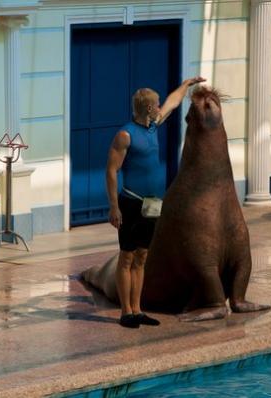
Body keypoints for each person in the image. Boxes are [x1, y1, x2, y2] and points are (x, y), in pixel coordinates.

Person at [106, 77, 206, 328]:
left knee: (142, 256)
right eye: (157, 104)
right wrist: (114, 206)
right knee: (127, 258)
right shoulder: (125, 135)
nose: (161, 106)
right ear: (149, 108)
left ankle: (138, 309)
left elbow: (173, 103)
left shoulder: (152, 127)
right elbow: (111, 171)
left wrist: (187, 85)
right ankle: (125, 312)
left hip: (152, 203)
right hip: (131, 203)